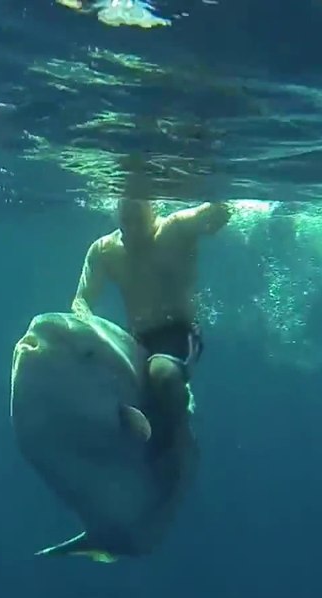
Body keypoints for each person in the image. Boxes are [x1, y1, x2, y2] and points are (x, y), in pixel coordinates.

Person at [70, 168, 232, 511]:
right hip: (137, 340)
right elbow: (81, 302)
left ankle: (180, 445)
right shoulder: (105, 251)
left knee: (161, 374)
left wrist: (210, 190)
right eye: (125, 220)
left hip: (181, 333)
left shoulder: (176, 229)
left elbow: (219, 212)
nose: (131, 228)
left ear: (153, 209)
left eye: (138, 218)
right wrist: (89, 331)